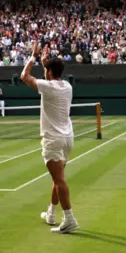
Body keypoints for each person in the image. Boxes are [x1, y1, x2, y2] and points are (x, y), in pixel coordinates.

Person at [20, 42, 79, 234]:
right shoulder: (67, 86)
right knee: (58, 177)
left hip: (53, 139)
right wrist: (46, 64)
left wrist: (34, 57)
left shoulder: (47, 86)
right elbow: (51, 75)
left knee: (59, 179)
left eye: (47, 70)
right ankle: (51, 214)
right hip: (68, 138)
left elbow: (24, 76)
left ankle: (69, 219)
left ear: (49, 72)